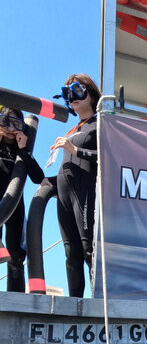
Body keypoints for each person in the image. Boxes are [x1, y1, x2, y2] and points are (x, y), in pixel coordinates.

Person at [51, 74, 101, 298]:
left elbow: (109, 156)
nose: (73, 98)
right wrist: (49, 181)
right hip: (64, 195)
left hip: (86, 193)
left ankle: (97, 305)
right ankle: (74, 306)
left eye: (78, 90)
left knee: (88, 250)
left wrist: (76, 150)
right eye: (68, 94)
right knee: (70, 252)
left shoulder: (101, 123)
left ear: (91, 93)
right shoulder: (75, 129)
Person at [0, 107, 45, 292]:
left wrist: (24, 149)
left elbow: (37, 177)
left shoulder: (20, 151)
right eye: (6, 121)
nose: (11, 128)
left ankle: (16, 297)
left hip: (14, 205)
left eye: (16, 123)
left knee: (16, 254)